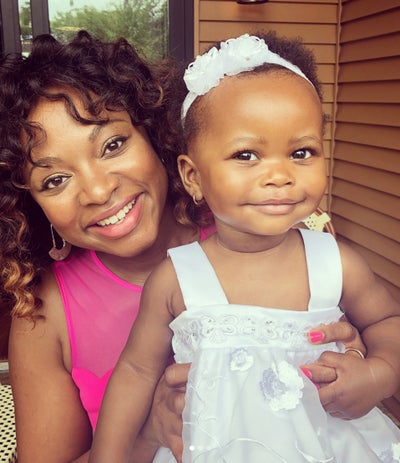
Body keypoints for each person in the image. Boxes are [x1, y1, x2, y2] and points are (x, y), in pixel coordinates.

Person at [0, 31, 378, 463]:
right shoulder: (43, 316)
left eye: (113, 145)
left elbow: (366, 332)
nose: (99, 191)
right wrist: (147, 435)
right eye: (54, 180)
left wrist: (361, 360)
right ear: (29, 206)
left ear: (156, 137)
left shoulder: (261, 229)